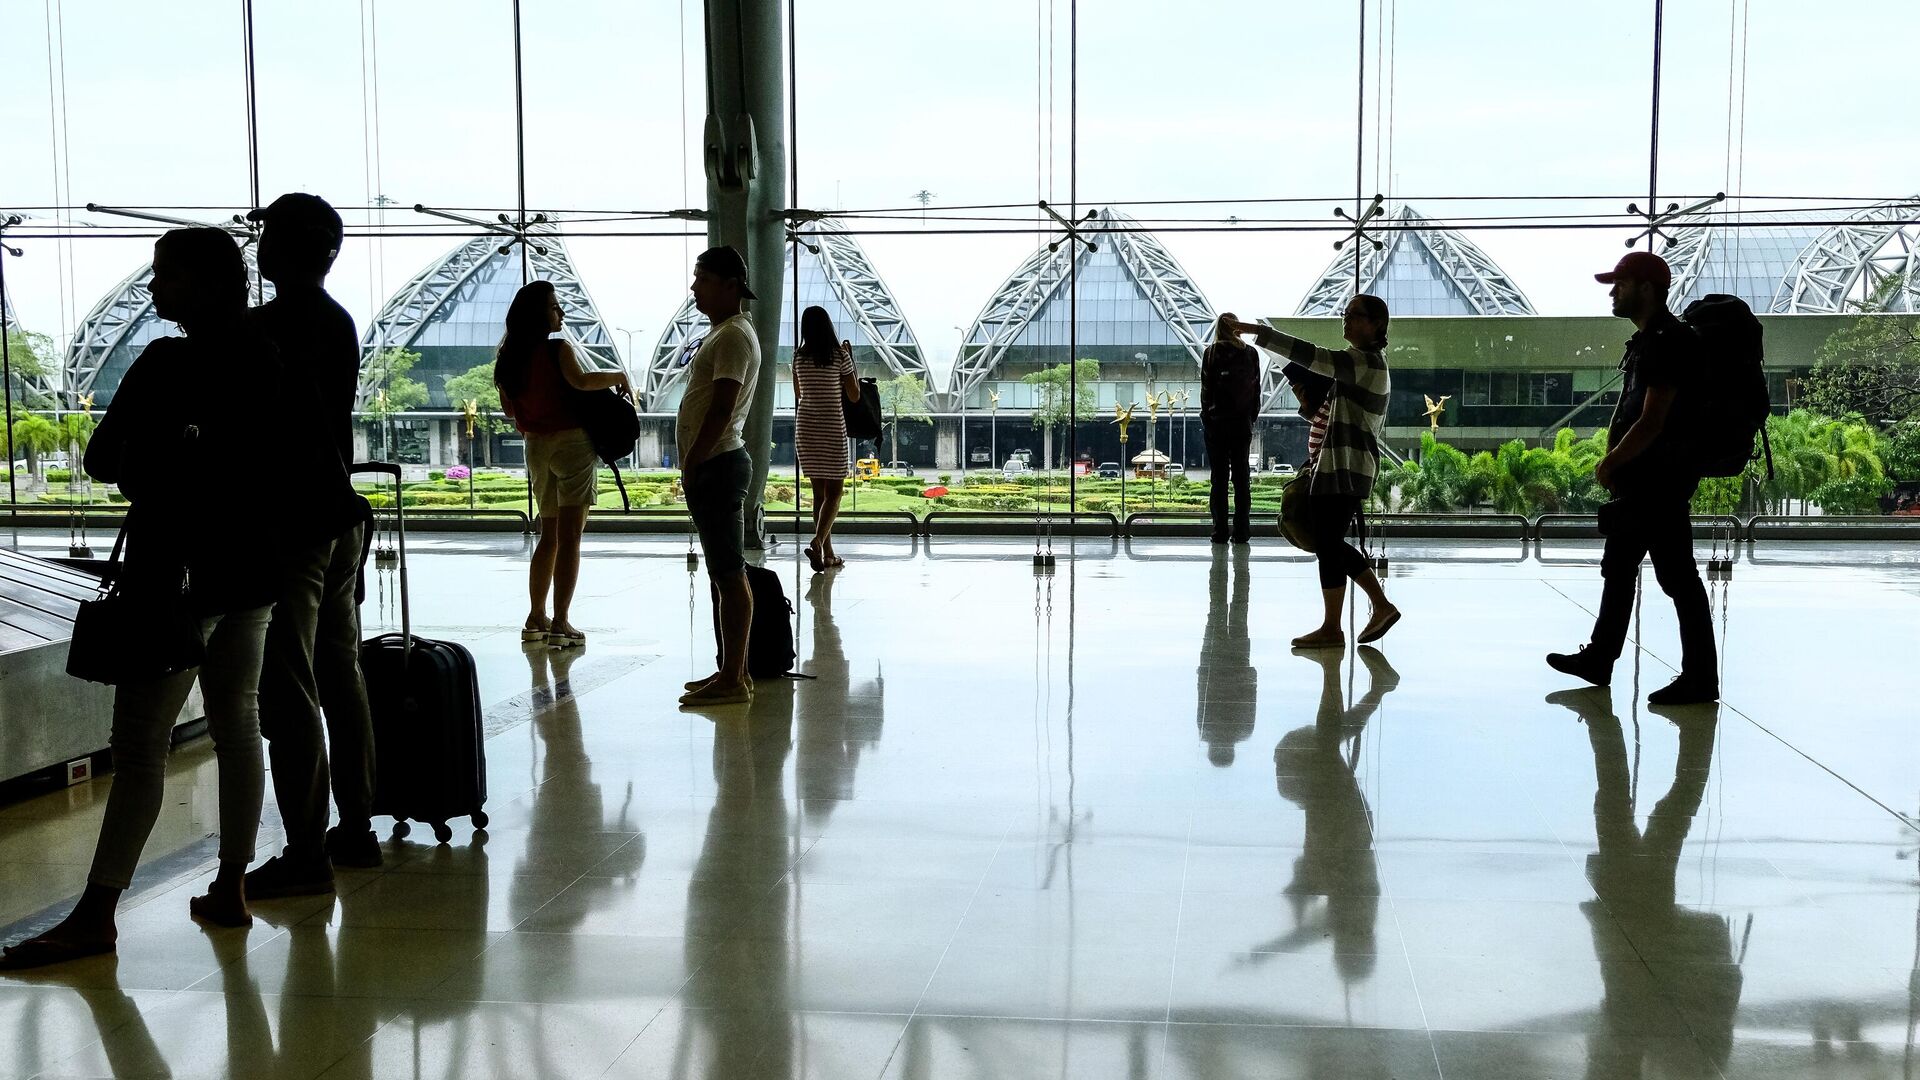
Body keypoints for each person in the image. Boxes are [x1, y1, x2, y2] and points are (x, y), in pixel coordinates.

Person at [1, 228, 348, 968]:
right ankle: (231, 886)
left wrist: (155, 461)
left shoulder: (166, 362)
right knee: (238, 725)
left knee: (139, 747)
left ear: (205, 283)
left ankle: (97, 913)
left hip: (173, 576)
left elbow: (102, 458)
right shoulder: (272, 357)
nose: (154, 287)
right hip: (250, 571)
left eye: (166, 275)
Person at [242, 193, 384, 900]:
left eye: (266, 232)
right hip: (339, 515)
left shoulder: (266, 328)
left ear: (286, 246)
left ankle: (304, 851)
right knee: (340, 674)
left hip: (290, 525)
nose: (258, 244)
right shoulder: (337, 320)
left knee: (289, 686)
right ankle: (356, 826)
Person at [1547, 251, 1718, 705]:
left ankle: (1700, 678)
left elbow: (1652, 419)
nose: (1612, 292)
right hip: (1644, 480)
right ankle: (1600, 658)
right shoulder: (1648, 340)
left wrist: (1610, 462)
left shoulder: (1668, 341)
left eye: (1620, 284)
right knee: (1620, 567)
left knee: (1677, 577)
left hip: (1659, 481)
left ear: (1646, 288)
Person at [1228, 301, 1400, 648]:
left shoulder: (1364, 362)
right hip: (1337, 468)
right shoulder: (1361, 366)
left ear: (1376, 324)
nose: (1346, 321)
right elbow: (1337, 414)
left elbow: (1314, 356)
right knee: (1328, 544)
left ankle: (1375, 608)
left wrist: (1261, 334)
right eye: (1345, 315)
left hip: (1344, 469)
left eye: (1354, 315)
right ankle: (1335, 625)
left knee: (1328, 543)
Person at [495, 279, 630, 650]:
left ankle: (535, 618)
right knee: (571, 537)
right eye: (555, 306)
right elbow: (581, 382)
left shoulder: (507, 358)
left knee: (548, 535)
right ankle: (561, 623)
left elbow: (509, 411)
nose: (562, 312)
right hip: (571, 444)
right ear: (539, 314)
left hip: (535, 447)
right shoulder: (558, 349)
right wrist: (618, 376)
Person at [677, 246, 763, 707]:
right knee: (724, 572)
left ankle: (733, 679)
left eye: (703, 279)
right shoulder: (724, 333)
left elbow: (722, 407)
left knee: (729, 574)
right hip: (716, 462)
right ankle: (734, 671)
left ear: (731, 286)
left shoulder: (732, 336)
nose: (695, 288)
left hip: (718, 463)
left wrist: (693, 459)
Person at [791, 305, 860, 572]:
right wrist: (851, 361)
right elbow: (854, 395)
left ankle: (827, 555)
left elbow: (799, 393)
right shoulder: (840, 356)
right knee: (835, 493)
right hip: (832, 427)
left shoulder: (798, 357)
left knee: (819, 495)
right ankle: (819, 541)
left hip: (806, 428)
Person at [1200, 312, 1261, 543]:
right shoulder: (1250, 353)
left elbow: (1206, 390)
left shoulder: (1211, 353)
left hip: (1217, 424)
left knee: (1219, 479)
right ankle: (1242, 532)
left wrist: (1207, 417)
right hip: (1241, 423)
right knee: (1241, 478)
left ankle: (1220, 532)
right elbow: (1256, 389)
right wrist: (1250, 418)